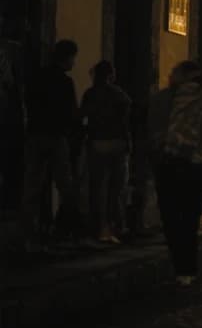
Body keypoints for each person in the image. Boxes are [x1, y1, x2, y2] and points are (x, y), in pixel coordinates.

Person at [156, 61, 202, 285]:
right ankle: (187, 270)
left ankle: (180, 265)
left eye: (175, 72)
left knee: (170, 216)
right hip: (198, 165)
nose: (171, 75)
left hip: (170, 161)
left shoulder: (168, 97)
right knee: (189, 217)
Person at [21, 40, 81, 253]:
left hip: (36, 134)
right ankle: (66, 232)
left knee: (32, 187)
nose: (74, 62)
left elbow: (28, 102)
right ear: (66, 57)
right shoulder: (65, 82)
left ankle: (30, 235)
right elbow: (71, 113)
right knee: (66, 186)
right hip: (56, 137)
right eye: (73, 58)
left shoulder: (36, 78)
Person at [81, 60, 132, 244]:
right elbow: (126, 122)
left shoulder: (90, 94)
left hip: (96, 142)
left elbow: (83, 117)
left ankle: (99, 227)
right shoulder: (120, 96)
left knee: (98, 187)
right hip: (117, 143)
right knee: (116, 188)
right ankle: (115, 226)